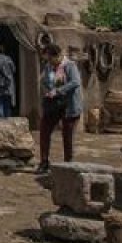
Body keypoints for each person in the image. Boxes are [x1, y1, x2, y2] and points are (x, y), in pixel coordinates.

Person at [37, 43, 83, 173]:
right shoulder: (48, 66)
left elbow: (75, 82)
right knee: (44, 130)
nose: (49, 62)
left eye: (50, 59)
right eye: (47, 59)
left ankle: (68, 164)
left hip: (69, 105)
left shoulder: (70, 66)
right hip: (53, 105)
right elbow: (44, 81)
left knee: (67, 135)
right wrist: (47, 89)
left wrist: (58, 91)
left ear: (57, 56)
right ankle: (44, 161)